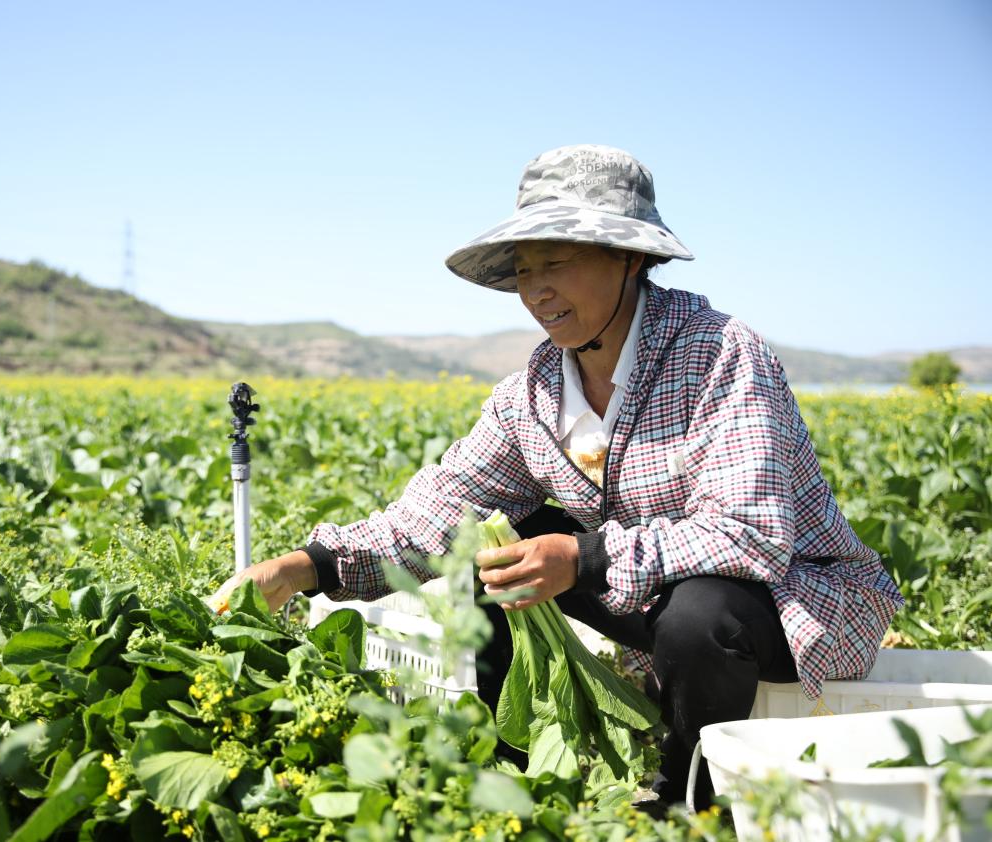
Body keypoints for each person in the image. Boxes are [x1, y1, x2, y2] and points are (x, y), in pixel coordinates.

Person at [210, 144, 903, 812]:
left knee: (701, 609)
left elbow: (749, 535)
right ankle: (516, 769)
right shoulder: (533, 393)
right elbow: (439, 510)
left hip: (794, 605)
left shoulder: (718, 353)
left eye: (557, 262)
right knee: (492, 545)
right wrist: (306, 566)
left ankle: (687, 797)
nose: (536, 290)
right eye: (523, 270)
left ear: (630, 258)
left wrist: (583, 557)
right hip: (655, 602)